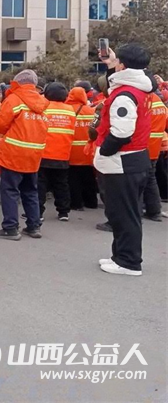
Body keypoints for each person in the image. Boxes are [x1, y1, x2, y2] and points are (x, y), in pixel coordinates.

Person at [95, 45, 153, 276]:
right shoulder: (139, 88)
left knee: (123, 215)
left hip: (123, 161)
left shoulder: (125, 96)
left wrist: (104, 151)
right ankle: (120, 256)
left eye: (117, 60)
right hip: (135, 159)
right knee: (126, 213)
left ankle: (128, 262)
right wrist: (111, 65)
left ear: (124, 65)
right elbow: (114, 85)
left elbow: (121, 132)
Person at [0, 70, 49, 240]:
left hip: (14, 152)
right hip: (34, 153)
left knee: (10, 190)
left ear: (17, 83)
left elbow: (1, 125)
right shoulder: (42, 102)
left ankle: (10, 228)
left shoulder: (14, 99)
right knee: (30, 190)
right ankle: (34, 226)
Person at [38, 83, 76, 222]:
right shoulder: (70, 110)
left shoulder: (43, 108)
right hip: (63, 153)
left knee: (40, 185)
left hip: (44, 153)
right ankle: (63, 212)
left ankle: (38, 212)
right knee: (62, 184)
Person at [66, 85, 99, 211]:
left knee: (73, 178)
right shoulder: (92, 111)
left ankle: (76, 203)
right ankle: (91, 202)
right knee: (89, 177)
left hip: (71, 150)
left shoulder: (67, 110)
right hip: (87, 150)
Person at [142, 80, 167, 222]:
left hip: (142, 147)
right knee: (151, 179)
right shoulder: (160, 103)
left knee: (138, 180)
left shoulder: (145, 101)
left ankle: (140, 209)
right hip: (155, 147)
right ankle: (154, 211)